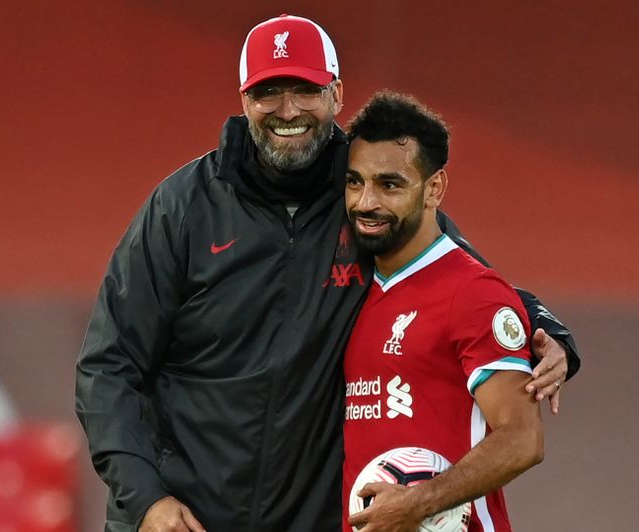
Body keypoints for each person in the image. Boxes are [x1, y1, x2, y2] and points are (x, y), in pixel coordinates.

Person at [75, 14, 579, 532]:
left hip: (306, 518)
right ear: (244, 99)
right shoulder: (182, 208)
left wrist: (549, 331)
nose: (287, 110)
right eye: (268, 91)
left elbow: (454, 274)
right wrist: (145, 499)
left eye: (305, 90)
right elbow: (108, 365)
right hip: (181, 519)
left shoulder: (365, 193)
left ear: (337, 93)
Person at [341, 92, 544, 532]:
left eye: (389, 185)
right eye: (355, 181)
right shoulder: (348, 291)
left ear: (434, 188)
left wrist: (418, 503)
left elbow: (522, 438)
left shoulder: (472, 292)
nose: (365, 202)